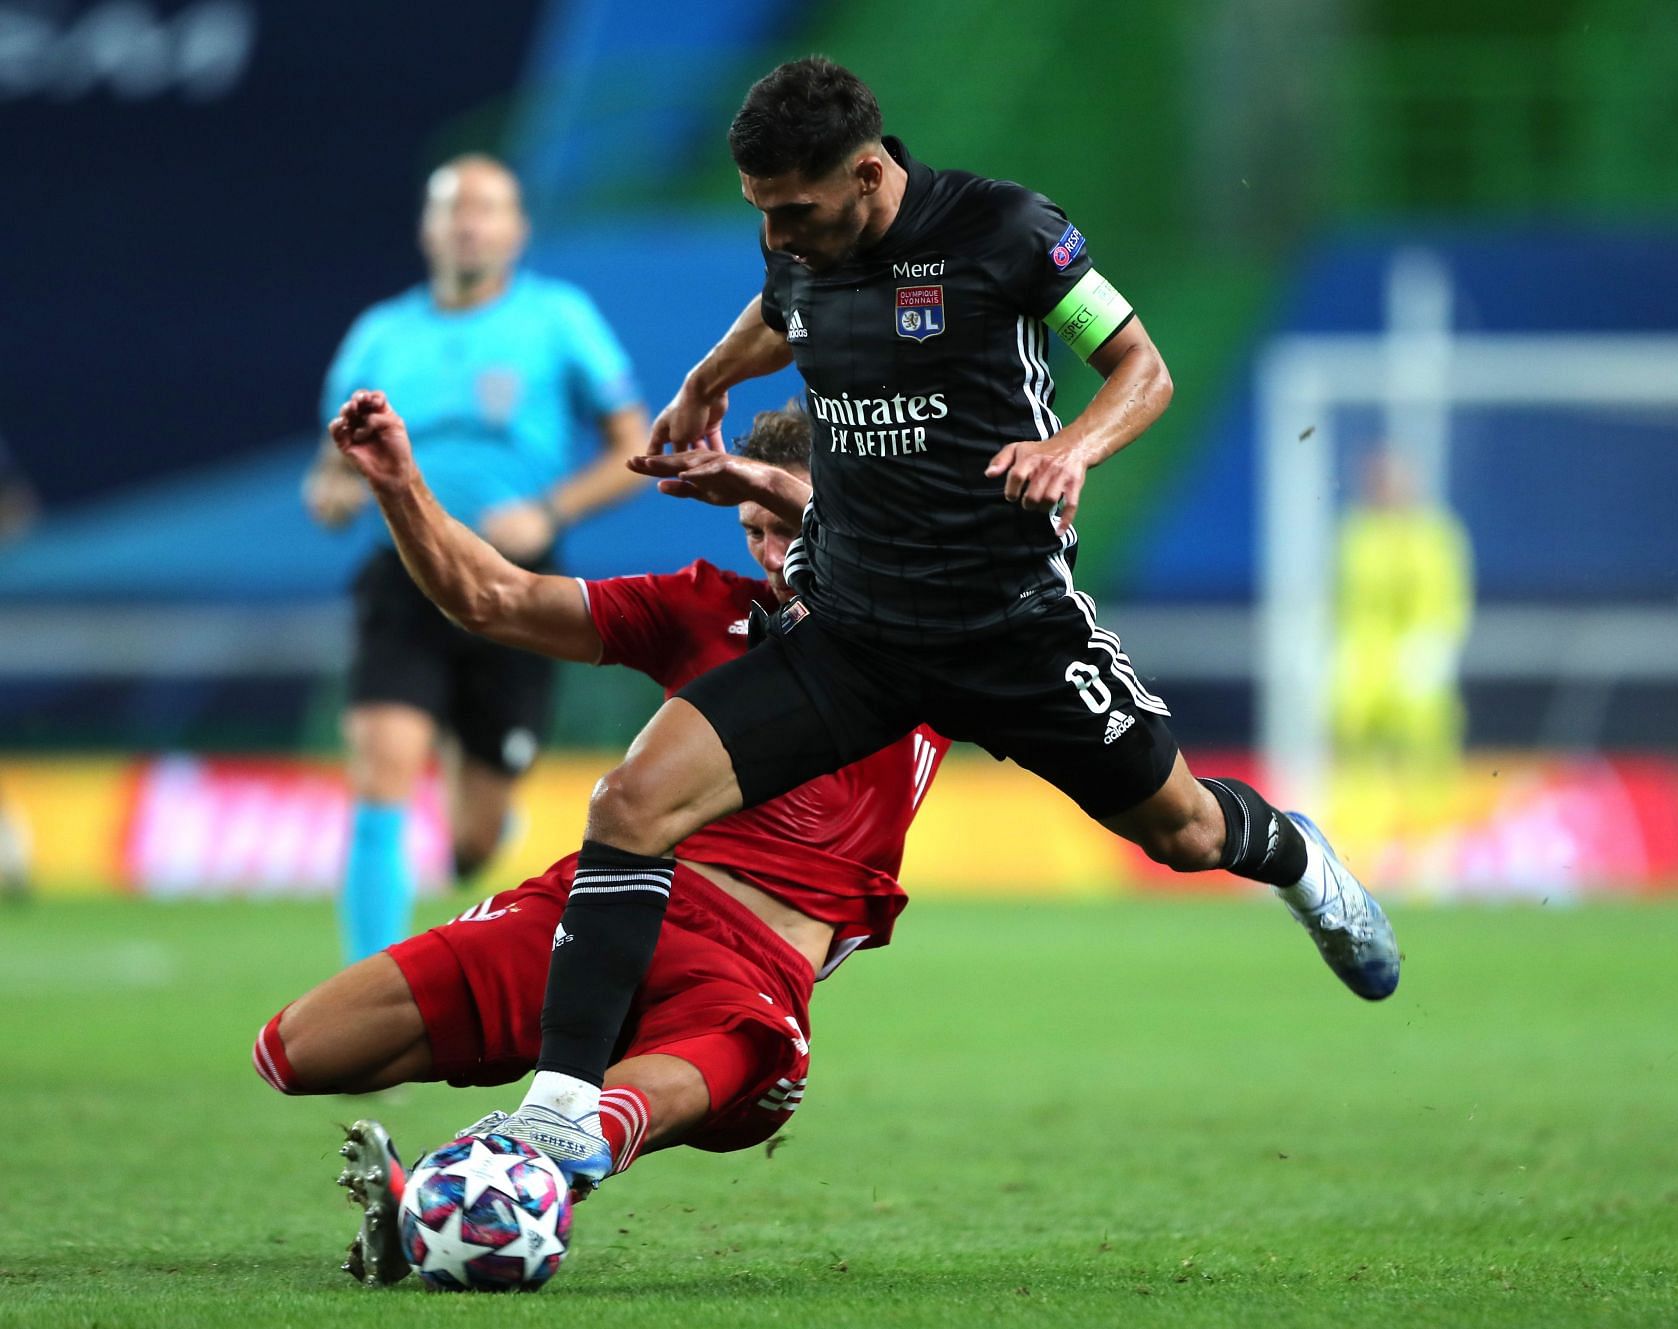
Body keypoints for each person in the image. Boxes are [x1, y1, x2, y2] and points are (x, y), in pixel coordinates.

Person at [385, 56, 1401, 1190]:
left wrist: (1072, 447)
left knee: (1186, 836)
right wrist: (707, 379)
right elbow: (786, 311)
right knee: (629, 804)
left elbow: (1139, 367)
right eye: (761, 211)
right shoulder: (798, 240)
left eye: (797, 210)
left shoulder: (1010, 231)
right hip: (857, 631)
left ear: (869, 173)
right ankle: (565, 1110)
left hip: (1010, 626)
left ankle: (1302, 861)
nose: (778, 232)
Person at [258, 402, 949, 1285]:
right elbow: (494, 597)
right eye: (754, 530)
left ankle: (501, 1170)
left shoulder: (931, 635)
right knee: (296, 1052)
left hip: (747, 973)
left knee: (628, 1106)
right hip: (605, 909)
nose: (774, 554)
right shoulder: (703, 607)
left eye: (789, 523)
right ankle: (491, 1173)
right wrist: (399, 485)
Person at [302, 154, 651, 966]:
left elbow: (631, 443)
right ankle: (367, 990)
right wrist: (332, 491)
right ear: (428, 229)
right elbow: (329, 463)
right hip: (407, 574)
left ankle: (479, 821)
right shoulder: (382, 333)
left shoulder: (559, 319)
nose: (468, 223)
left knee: (475, 834)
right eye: (453, 209)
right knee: (383, 766)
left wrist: (549, 509)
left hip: (517, 587)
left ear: (517, 230)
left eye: (486, 209)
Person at [1331, 447, 1474, 860]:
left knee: (1426, 755)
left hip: (1416, 662)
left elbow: (1449, 598)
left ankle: (1432, 853)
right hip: (1364, 664)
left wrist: (1437, 646)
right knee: (1357, 758)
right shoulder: (1357, 533)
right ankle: (1359, 852)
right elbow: (1345, 600)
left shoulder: (1435, 534)